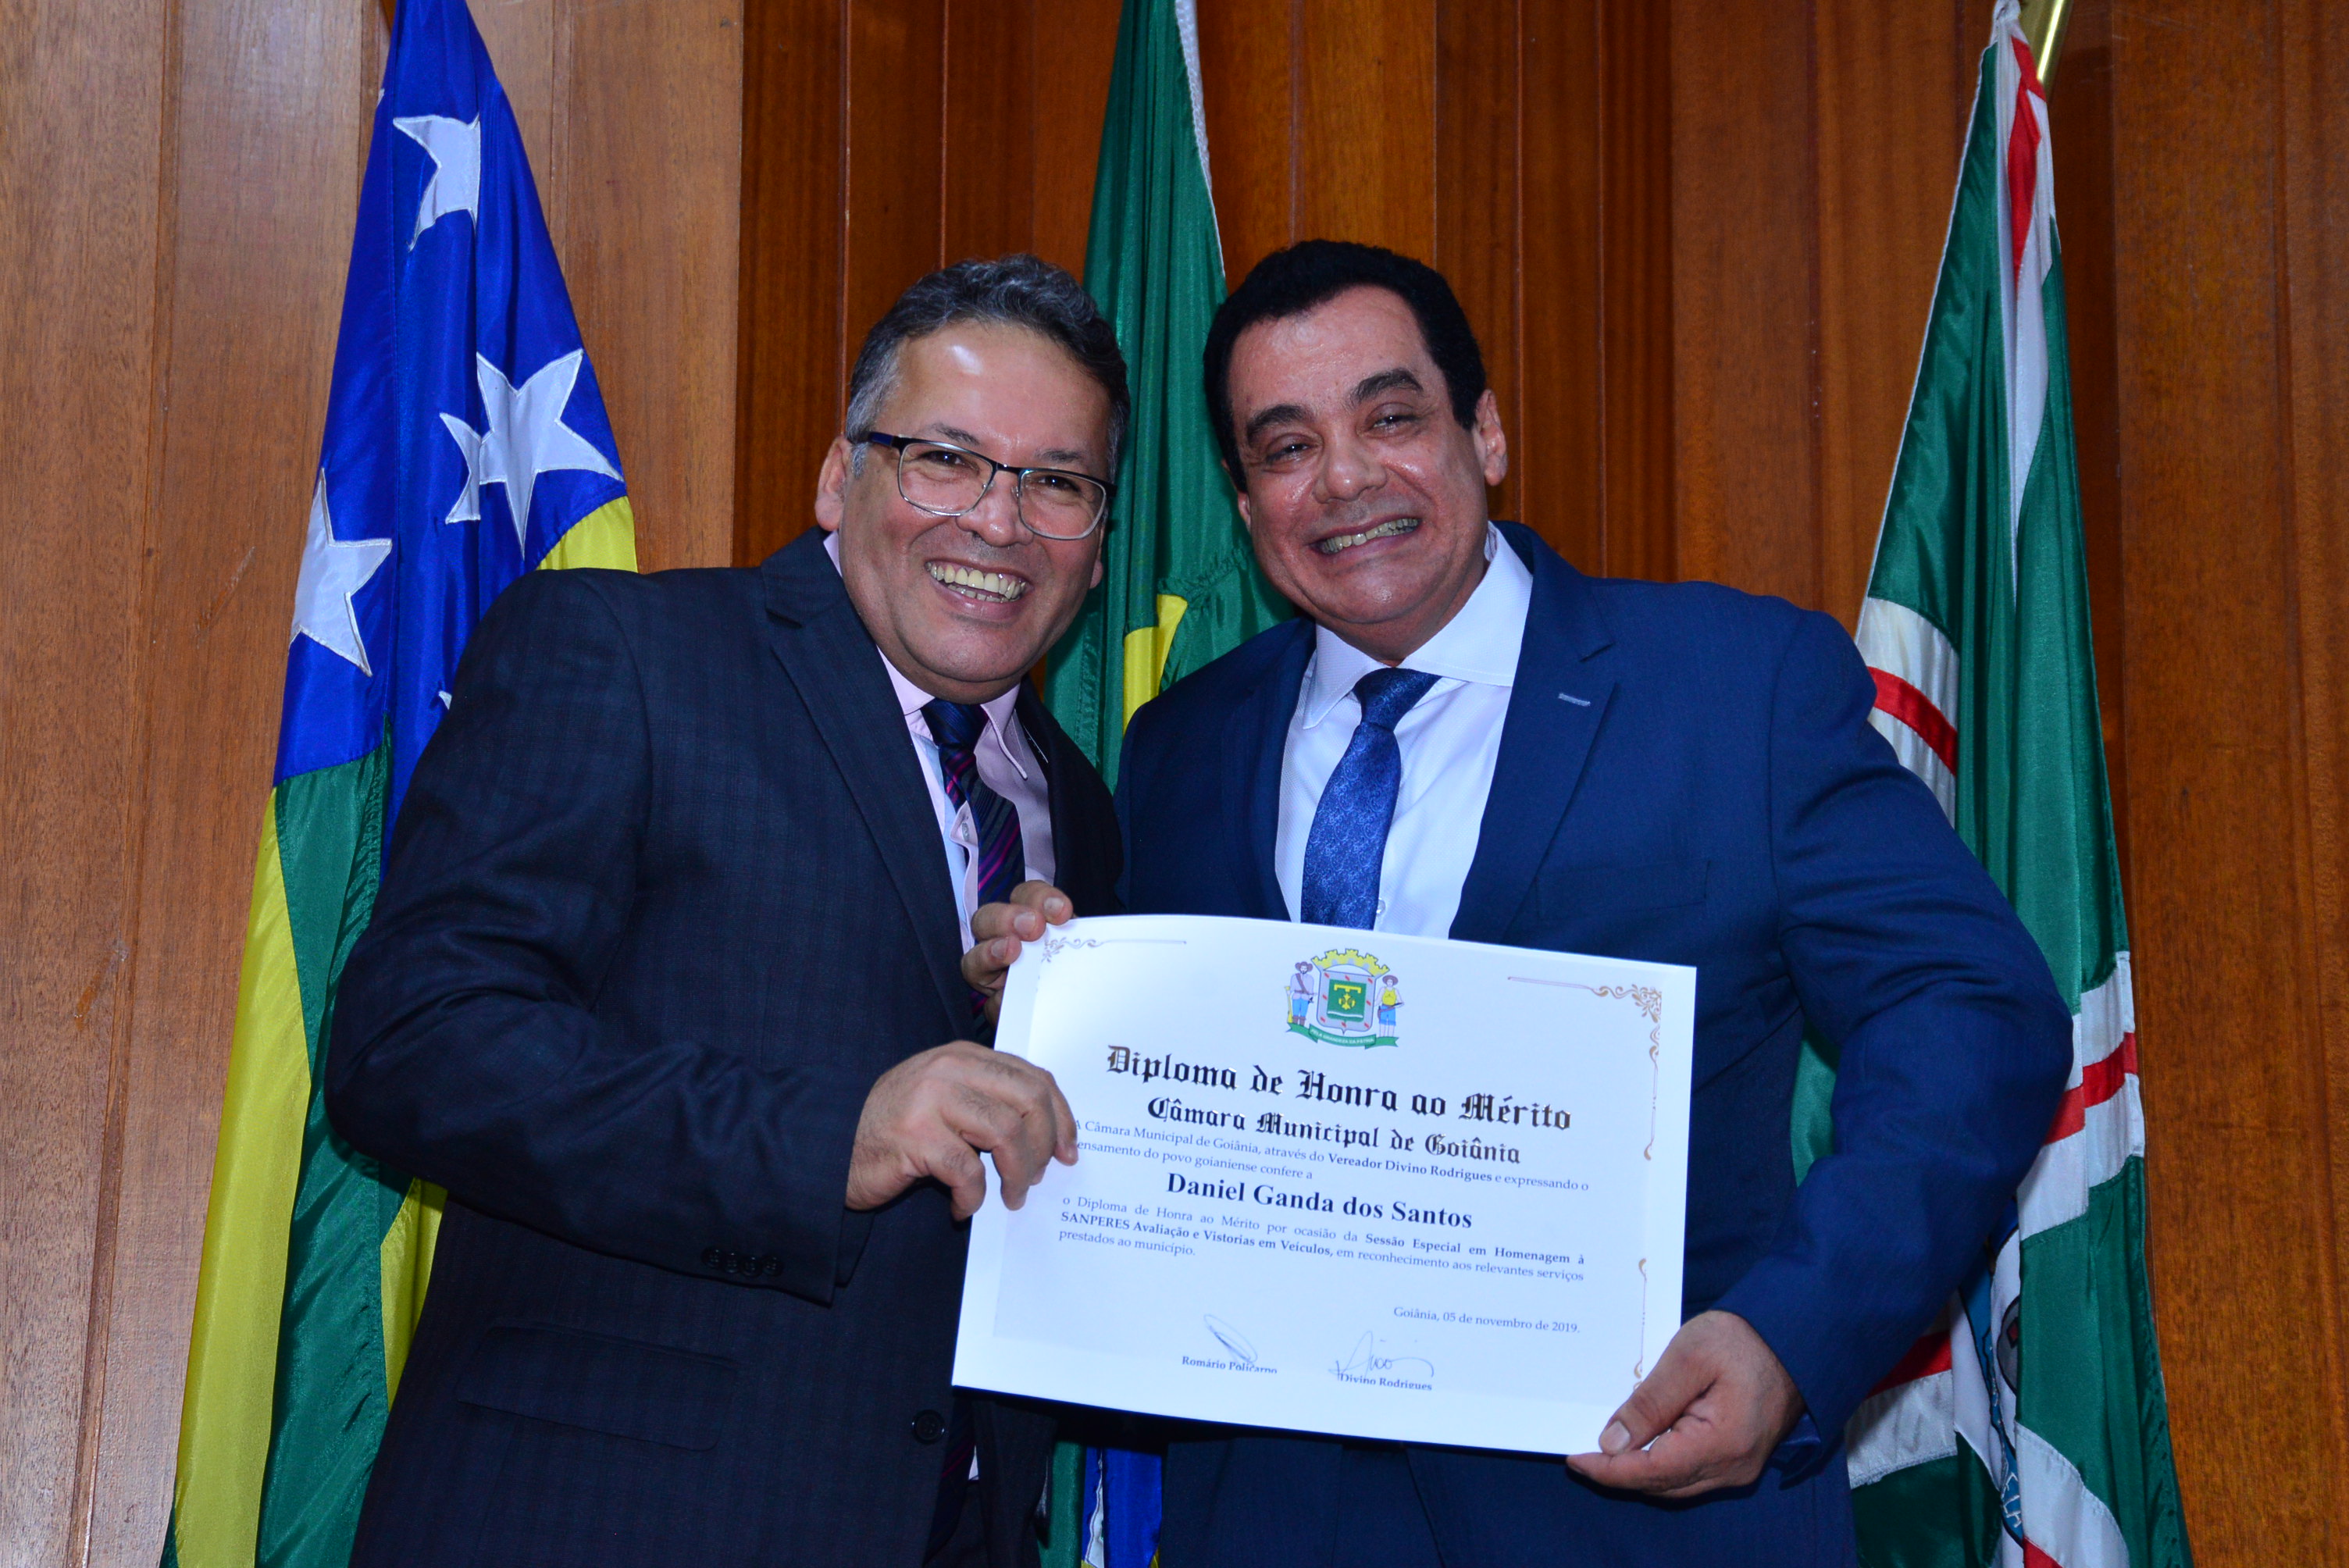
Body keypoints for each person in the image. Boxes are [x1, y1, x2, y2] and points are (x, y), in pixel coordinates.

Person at [964, 240, 2071, 1566]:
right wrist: (1047, 994)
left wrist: (1793, 1335)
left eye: (1391, 418)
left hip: (1638, 1501)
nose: (1346, 479)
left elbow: (1970, 1007)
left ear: (1484, 434)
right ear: (1246, 502)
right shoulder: (1181, 745)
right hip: (1272, 1521)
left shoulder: (1734, 686)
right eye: (1288, 447)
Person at [326, 255, 1127, 1568]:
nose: (998, 519)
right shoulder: (625, 652)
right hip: (602, 1524)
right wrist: (829, 1140)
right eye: (945, 458)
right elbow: (413, 1047)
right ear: (837, 478)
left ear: (1096, 548)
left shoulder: (1078, 810)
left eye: (1058, 481)